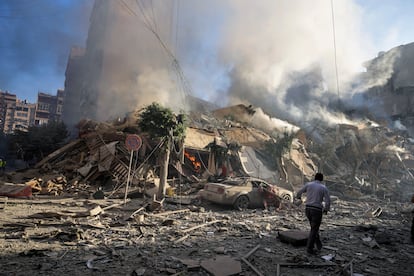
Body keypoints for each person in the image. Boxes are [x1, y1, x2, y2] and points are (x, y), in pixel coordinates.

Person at [295, 172, 331, 255]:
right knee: (314, 229)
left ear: (315, 178)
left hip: (308, 209)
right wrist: (326, 209)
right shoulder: (323, 188)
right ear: (322, 179)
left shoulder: (309, 184)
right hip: (317, 210)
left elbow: (299, 192)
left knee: (314, 228)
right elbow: (328, 201)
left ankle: (318, 244)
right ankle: (309, 249)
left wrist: (299, 198)